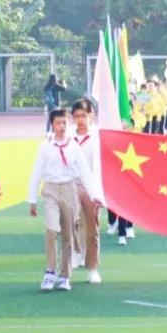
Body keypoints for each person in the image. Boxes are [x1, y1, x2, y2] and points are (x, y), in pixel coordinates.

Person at [28, 109, 102, 291]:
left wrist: (94, 195)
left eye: (64, 123)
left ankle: (64, 275)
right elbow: (37, 172)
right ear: (52, 125)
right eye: (58, 123)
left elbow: (84, 172)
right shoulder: (45, 147)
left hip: (69, 189)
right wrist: (32, 199)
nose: (62, 126)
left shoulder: (73, 147)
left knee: (68, 234)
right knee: (51, 230)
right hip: (51, 189)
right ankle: (50, 270)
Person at [66, 101, 104, 283]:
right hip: (71, 185)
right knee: (70, 223)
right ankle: (76, 254)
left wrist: (100, 192)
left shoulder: (98, 136)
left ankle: (93, 268)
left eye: (83, 116)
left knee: (92, 228)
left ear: (92, 116)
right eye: (76, 116)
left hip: (92, 187)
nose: (80, 120)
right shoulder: (67, 135)